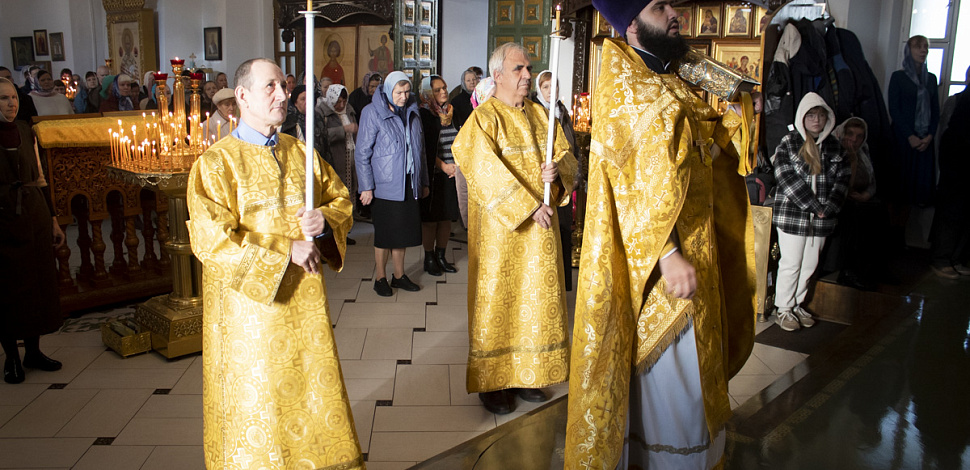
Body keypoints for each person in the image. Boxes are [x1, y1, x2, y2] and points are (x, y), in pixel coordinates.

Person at [565, 1, 758, 467]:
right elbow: (635, 181)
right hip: (656, 270)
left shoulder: (665, 76)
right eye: (659, 6)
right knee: (674, 391)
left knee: (695, 385)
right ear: (631, 22)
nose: (674, 12)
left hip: (700, 252)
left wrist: (725, 128)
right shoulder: (625, 85)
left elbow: (691, 151)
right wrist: (668, 254)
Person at [185, 58, 362, 470]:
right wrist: (285, 248)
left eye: (283, 87)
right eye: (271, 88)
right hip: (253, 316)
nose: (283, 95)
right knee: (260, 401)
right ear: (242, 97)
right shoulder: (217, 163)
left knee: (310, 393)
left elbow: (340, 201)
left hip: (307, 310)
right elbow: (211, 242)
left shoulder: (300, 153)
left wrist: (324, 221)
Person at [451, 43, 577, 415]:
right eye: (519, 69)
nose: (526, 75)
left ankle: (528, 374)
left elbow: (566, 158)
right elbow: (479, 167)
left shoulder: (541, 116)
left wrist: (556, 176)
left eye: (529, 68)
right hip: (501, 236)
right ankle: (494, 382)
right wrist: (528, 206)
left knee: (533, 301)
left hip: (540, 235)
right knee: (499, 302)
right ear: (498, 76)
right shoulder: (483, 119)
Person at [0, 77, 66, 384]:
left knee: (38, 282)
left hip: (34, 213)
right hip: (3, 217)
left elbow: (40, 177)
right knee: (9, 287)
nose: (10, 103)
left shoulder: (27, 131)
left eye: (13, 97)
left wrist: (52, 219)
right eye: (3, 98)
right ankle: (11, 357)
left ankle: (34, 351)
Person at [773, 93, 850, 331]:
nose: (816, 120)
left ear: (828, 118)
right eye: (811, 115)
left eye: (820, 115)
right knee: (791, 262)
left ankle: (797, 304)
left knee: (810, 264)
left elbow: (842, 180)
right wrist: (814, 206)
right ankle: (783, 308)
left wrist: (829, 208)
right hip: (793, 215)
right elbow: (786, 178)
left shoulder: (835, 147)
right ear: (802, 117)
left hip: (823, 218)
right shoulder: (789, 142)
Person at [356, 71, 430, 296]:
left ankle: (399, 276)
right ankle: (380, 278)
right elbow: (362, 153)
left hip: (408, 182)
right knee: (385, 235)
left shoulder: (413, 110)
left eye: (407, 91)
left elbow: (420, 150)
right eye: (399, 92)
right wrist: (366, 186)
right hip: (384, 185)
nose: (403, 97)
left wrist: (423, 181)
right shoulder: (372, 112)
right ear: (388, 90)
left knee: (403, 233)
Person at [531, 70, 578, 291]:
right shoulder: (536, 112)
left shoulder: (563, 112)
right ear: (539, 89)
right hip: (547, 182)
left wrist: (574, 173)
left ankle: (562, 284)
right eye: (546, 87)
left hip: (565, 181)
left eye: (554, 86)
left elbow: (572, 147)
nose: (551, 91)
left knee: (564, 232)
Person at [888, 35, 939, 214]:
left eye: (925, 47)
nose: (923, 50)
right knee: (900, 191)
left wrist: (930, 136)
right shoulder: (898, 77)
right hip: (904, 140)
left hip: (925, 141)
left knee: (918, 193)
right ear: (909, 50)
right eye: (918, 46)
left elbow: (935, 111)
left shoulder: (931, 79)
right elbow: (894, 109)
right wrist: (910, 135)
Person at [929, 68, 970, 279]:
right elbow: (944, 136)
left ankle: (957, 258)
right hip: (955, 170)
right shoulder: (956, 102)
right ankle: (942, 258)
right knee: (950, 215)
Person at [418, 75, 460, 276]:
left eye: (444, 88)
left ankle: (441, 256)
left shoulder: (452, 113)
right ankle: (429, 258)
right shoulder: (424, 115)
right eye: (437, 90)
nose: (443, 92)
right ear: (428, 93)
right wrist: (443, 166)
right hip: (433, 175)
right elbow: (423, 149)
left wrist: (457, 165)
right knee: (430, 220)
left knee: (446, 219)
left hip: (452, 174)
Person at [831, 117, 879, 288]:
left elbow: (871, 181)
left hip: (859, 198)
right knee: (855, 217)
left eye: (859, 136)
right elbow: (844, 184)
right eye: (850, 134)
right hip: (839, 200)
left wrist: (866, 194)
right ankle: (848, 271)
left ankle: (872, 269)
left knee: (878, 211)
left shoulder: (863, 151)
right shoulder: (834, 150)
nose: (854, 140)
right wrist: (851, 158)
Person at [319, 83, 358, 244]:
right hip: (335, 159)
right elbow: (322, 135)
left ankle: (344, 232)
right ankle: (332, 236)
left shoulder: (349, 110)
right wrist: (344, 129)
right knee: (336, 197)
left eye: (343, 101)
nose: (341, 105)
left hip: (350, 156)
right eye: (338, 101)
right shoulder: (322, 112)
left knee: (349, 194)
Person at [281, 84, 332, 168]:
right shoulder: (289, 120)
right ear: (295, 102)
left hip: (318, 163)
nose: (307, 102)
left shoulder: (317, 117)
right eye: (302, 99)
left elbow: (325, 144)